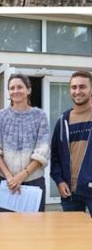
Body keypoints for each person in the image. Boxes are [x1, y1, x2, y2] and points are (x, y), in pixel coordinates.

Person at [0, 74, 50, 212]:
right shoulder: (0, 116)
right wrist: (10, 177)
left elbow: (43, 149)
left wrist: (21, 176)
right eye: (12, 88)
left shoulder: (40, 116)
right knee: (4, 228)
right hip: (4, 181)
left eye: (19, 87)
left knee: (33, 229)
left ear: (28, 90)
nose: (15, 91)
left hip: (33, 181)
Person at [50, 70, 92, 215]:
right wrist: (59, 181)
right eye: (74, 87)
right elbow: (54, 156)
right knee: (72, 237)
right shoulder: (63, 121)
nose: (77, 91)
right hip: (70, 193)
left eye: (82, 87)